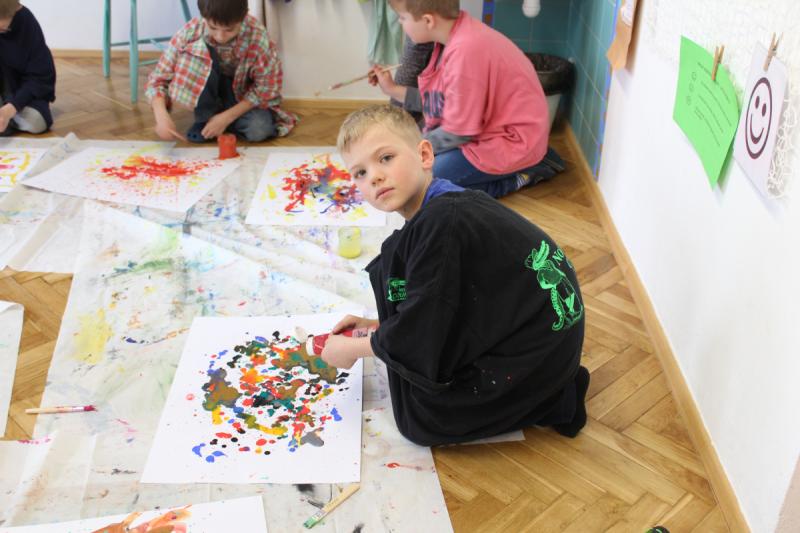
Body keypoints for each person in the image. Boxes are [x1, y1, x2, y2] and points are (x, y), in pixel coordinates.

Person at [323, 105, 588, 446]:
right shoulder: (444, 204)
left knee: (418, 419)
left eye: (385, 158)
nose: (373, 177)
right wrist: (378, 326)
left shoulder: (442, 224)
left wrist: (353, 349)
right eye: (360, 172)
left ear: (424, 155)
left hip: (536, 365)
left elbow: (425, 324)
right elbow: (450, 298)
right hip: (545, 351)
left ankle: (548, 401)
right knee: (404, 326)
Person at [370, 0, 564, 198]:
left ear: (428, 20)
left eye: (402, 18)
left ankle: (525, 173)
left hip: (513, 142)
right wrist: (392, 89)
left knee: (420, 179)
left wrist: (410, 150)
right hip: (486, 130)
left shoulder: (465, 52)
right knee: (416, 161)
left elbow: (458, 133)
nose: (400, 23)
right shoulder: (454, 36)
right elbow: (441, 102)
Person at [145, 0, 295, 143]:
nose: (220, 37)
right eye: (213, 28)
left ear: (243, 17)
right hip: (208, 93)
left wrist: (226, 118)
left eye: (229, 30)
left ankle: (216, 121)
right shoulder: (190, 32)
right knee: (197, 52)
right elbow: (158, 79)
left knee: (259, 129)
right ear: (204, 17)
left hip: (241, 97)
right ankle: (206, 118)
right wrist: (161, 116)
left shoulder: (257, 37)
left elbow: (266, 88)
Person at [0, 0, 56, 135]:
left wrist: (11, 107)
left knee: (36, 122)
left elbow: (39, 78)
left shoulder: (27, 25)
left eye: (2, 29)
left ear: (15, 12)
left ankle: (8, 118)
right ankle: (7, 120)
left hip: (22, 93)